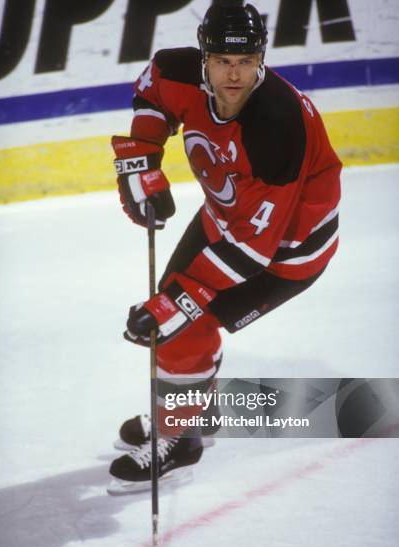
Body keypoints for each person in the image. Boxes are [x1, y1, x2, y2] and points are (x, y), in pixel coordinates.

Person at [108, 1, 342, 493]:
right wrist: (142, 161)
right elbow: (153, 94)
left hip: (287, 253)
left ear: (262, 59)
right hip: (226, 219)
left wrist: (175, 304)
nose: (233, 76)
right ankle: (193, 404)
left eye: (246, 62)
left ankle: (182, 436)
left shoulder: (278, 127)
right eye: (221, 62)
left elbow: (254, 251)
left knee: (181, 324)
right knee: (174, 319)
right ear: (204, 58)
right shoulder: (176, 69)